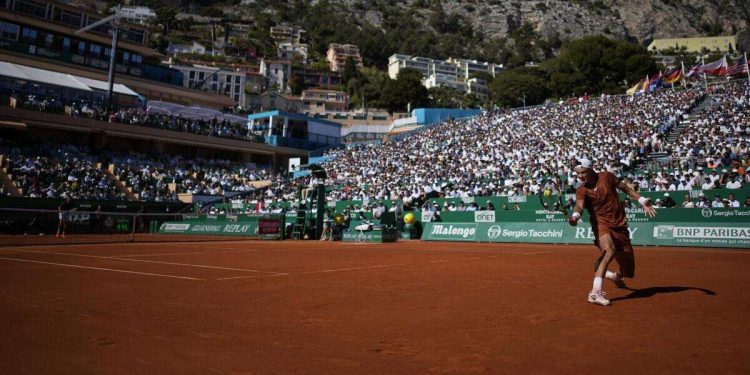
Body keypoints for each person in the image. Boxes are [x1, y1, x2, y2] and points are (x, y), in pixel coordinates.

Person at [568, 158, 656, 306]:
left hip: (620, 226)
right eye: (578, 174)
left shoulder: (606, 177)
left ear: (591, 170)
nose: (580, 176)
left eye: (583, 173)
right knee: (609, 250)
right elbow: (579, 206)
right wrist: (575, 216)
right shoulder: (581, 190)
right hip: (601, 225)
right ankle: (595, 293)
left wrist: (641, 200)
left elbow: (625, 189)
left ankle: (615, 276)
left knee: (628, 272)